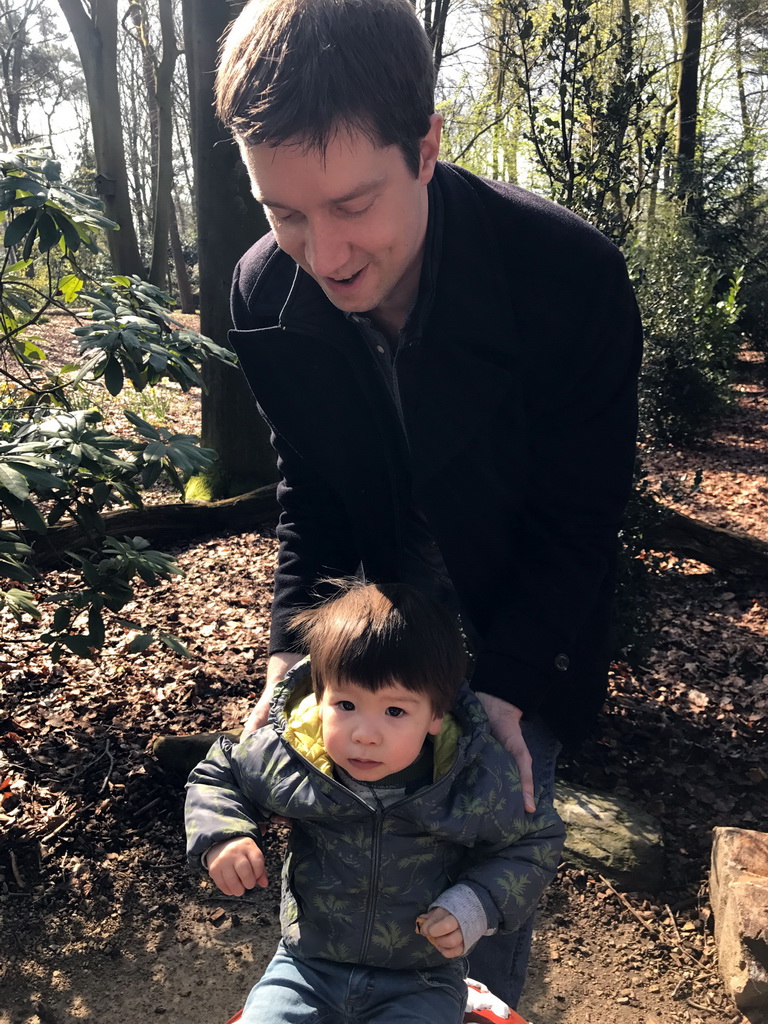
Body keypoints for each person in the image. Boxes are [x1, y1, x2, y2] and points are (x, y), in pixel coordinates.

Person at [211, 0, 642, 1005]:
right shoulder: (261, 295)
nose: (323, 256)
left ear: (428, 146)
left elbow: (579, 525)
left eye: (353, 204)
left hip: (516, 637)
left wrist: (502, 698)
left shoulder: (568, 277)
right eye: (283, 212)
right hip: (363, 639)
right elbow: (310, 493)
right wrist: (289, 654)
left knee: (467, 941)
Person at [185, 582, 565, 1024]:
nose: (365, 733)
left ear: (436, 716)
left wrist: (476, 903)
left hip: (420, 979)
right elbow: (220, 773)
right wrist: (225, 834)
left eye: (395, 712)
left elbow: (535, 840)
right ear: (320, 696)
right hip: (306, 967)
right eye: (345, 704)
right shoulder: (294, 758)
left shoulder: (472, 780)